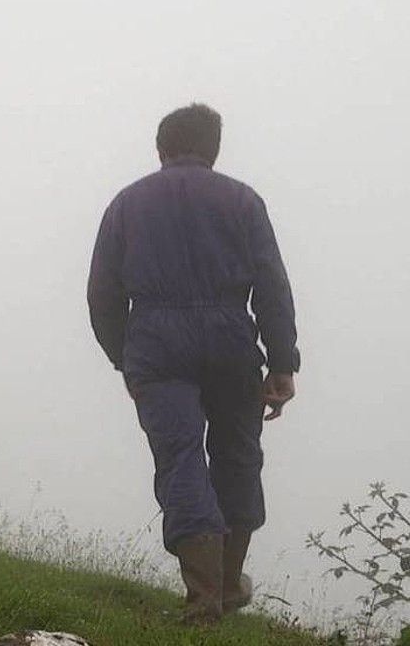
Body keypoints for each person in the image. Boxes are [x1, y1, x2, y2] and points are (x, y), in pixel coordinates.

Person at [86, 103, 300, 624]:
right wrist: (282, 362)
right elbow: (272, 285)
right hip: (231, 340)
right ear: (214, 149)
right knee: (237, 456)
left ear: (161, 149)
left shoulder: (126, 204)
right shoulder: (243, 201)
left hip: (157, 345)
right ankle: (228, 586)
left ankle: (203, 598)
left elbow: (101, 295)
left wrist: (127, 362)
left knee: (180, 460)